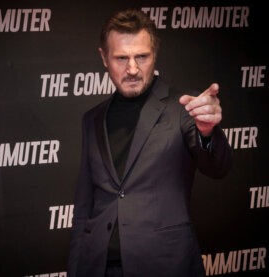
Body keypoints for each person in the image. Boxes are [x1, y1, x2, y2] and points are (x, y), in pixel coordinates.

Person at [67, 8, 232, 277]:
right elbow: (84, 207)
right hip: (98, 266)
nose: (132, 69)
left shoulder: (184, 107)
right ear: (104, 58)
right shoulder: (92, 119)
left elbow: (219, 167)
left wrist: (207, 133)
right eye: (121, 58)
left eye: (141, 57)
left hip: (164, 265)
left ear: (155, 54)